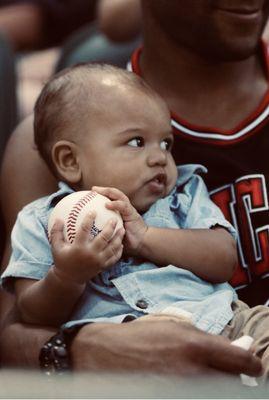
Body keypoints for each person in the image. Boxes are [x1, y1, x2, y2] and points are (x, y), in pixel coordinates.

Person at [0, 0, 268, 376]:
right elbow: (16, 333)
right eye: (138, 143)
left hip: (237, 320)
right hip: (135, 341)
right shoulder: (61, 138)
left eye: (167, 144)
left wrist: (144, 237)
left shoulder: (185, 187)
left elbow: (224, 255)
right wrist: (81, 335)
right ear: (69, 161)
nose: (160, 157)